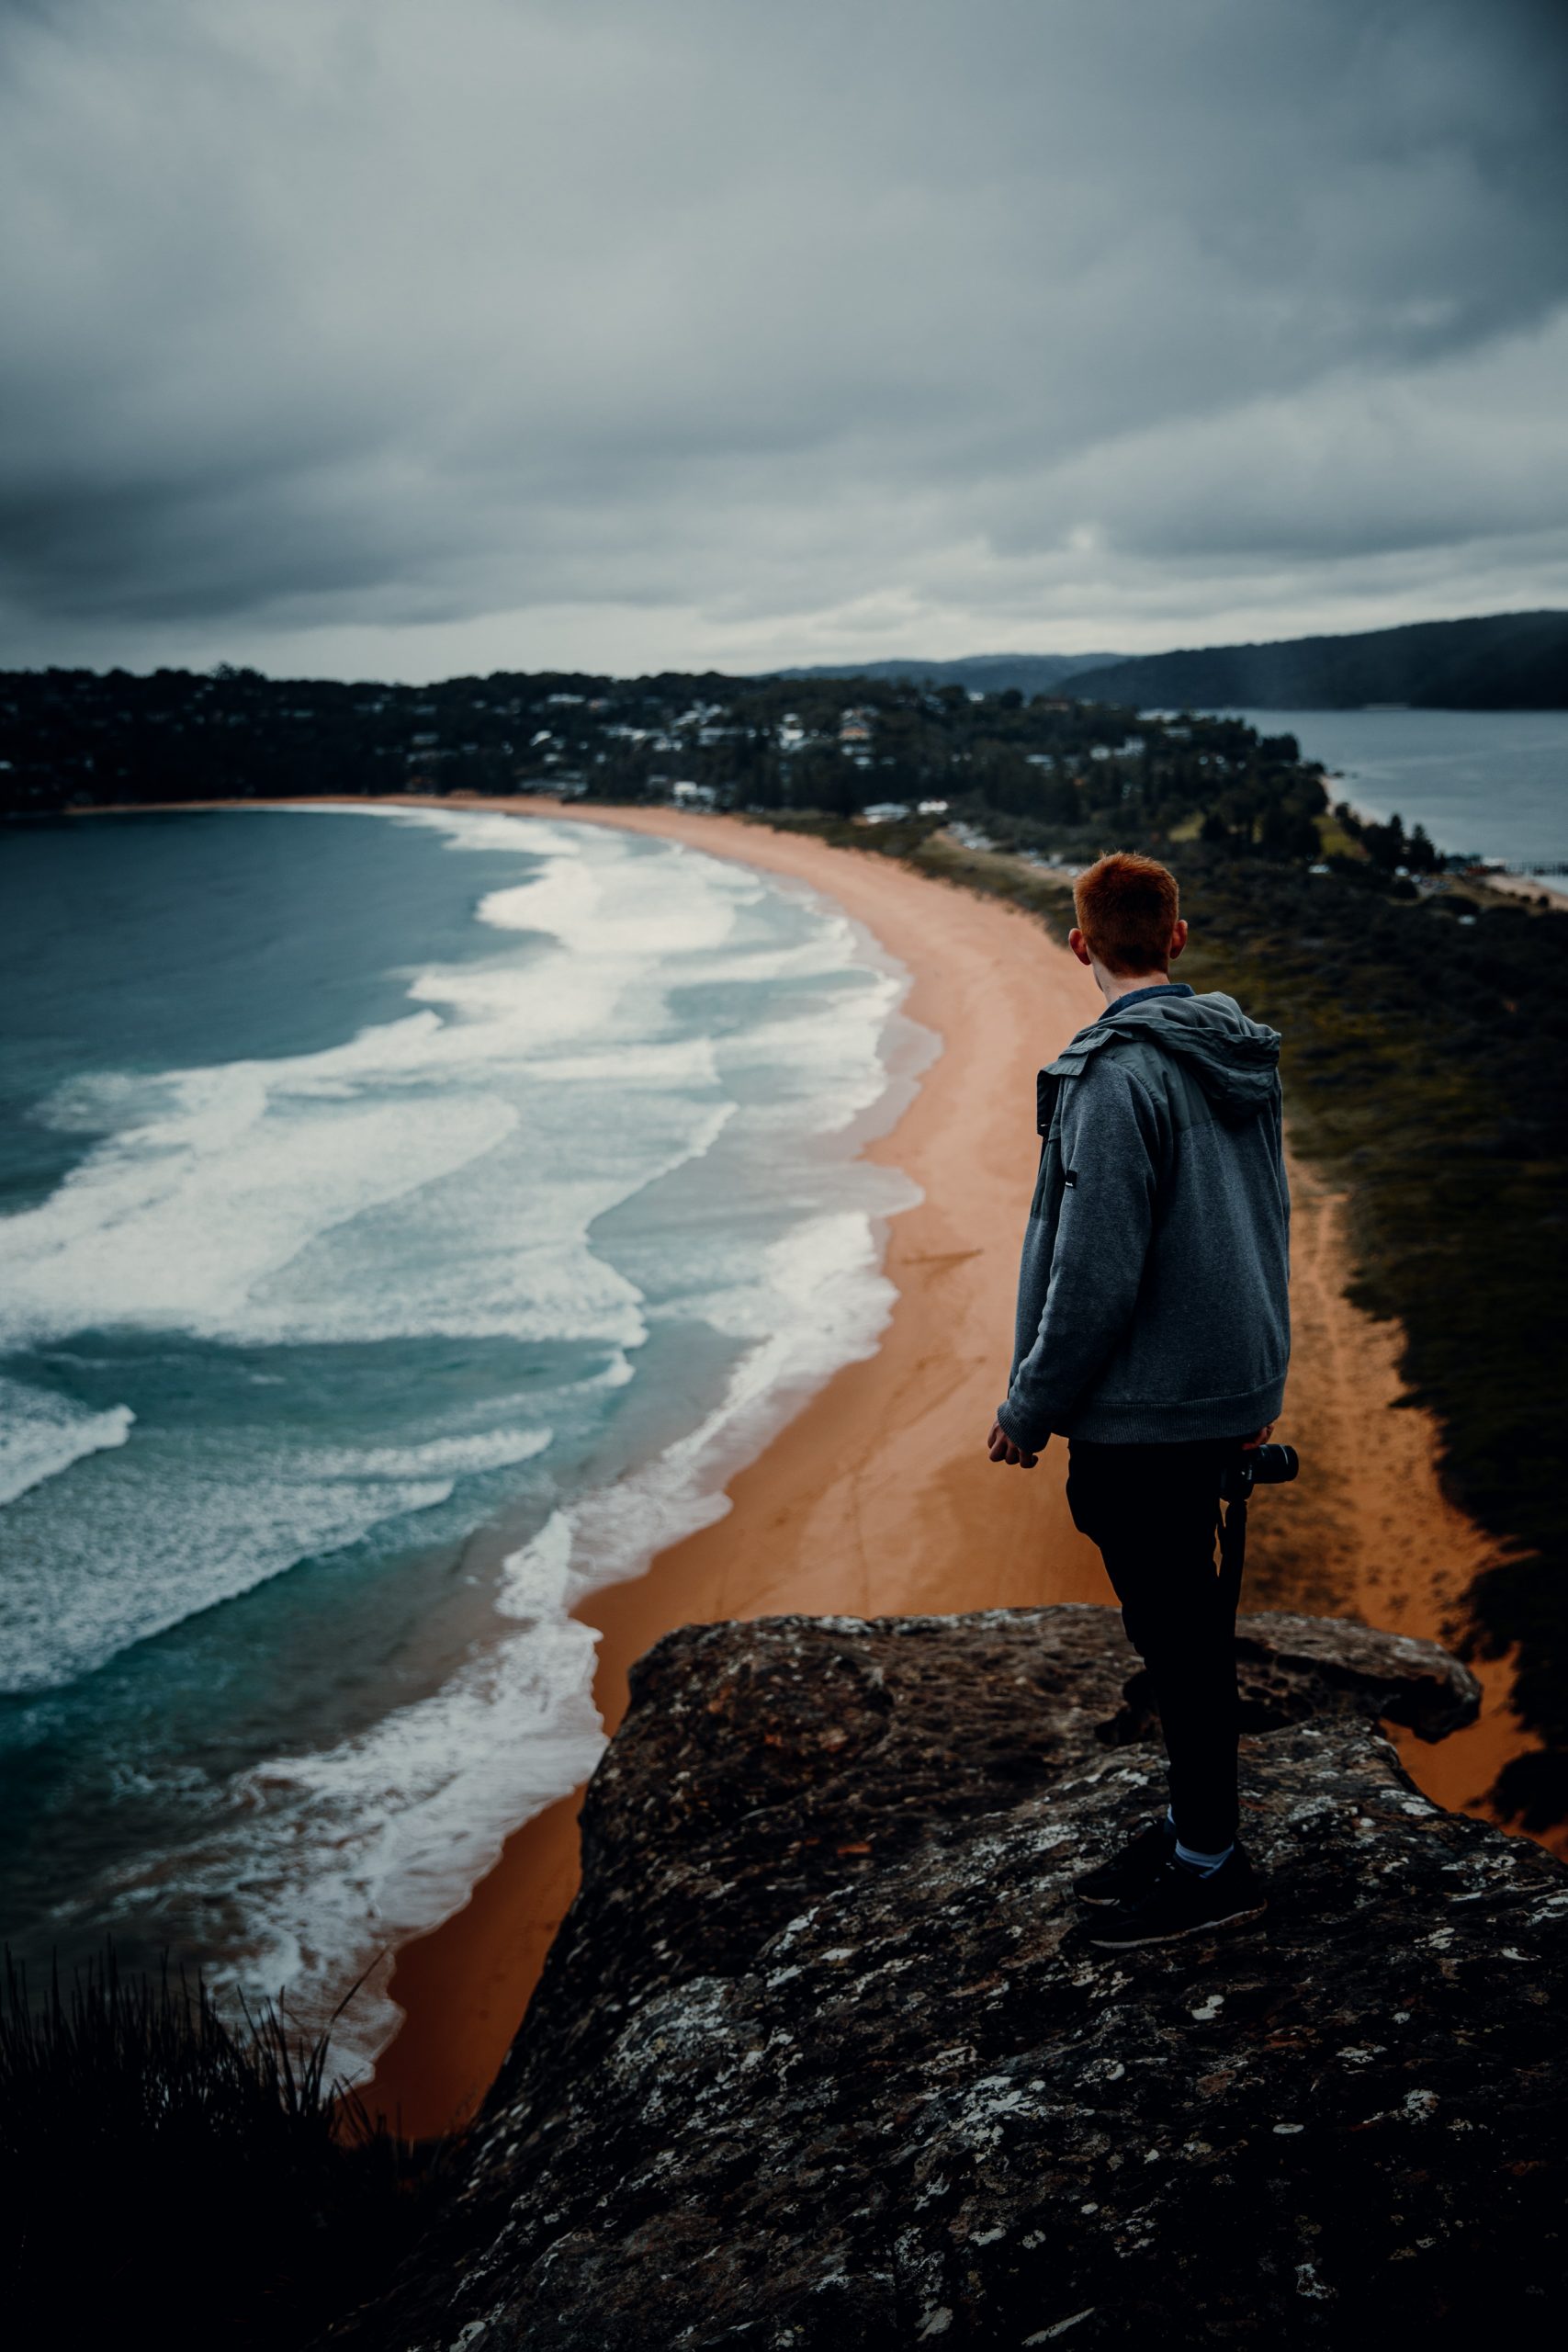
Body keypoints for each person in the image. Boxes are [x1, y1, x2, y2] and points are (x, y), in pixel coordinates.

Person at [987, 850, 1290, 1947]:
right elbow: (1264, 1217)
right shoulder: (1234, 1054)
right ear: (1177, 936)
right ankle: (1189, 1827)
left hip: (1151, 1409)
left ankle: (1212, 1865)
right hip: (1226, 1378)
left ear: (1079, 944)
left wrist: (1028, 1407)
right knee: (1185, 1632)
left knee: (1179, 1642)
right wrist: (1261, 1373)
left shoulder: (1114, 1077)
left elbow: (1096, 1274)